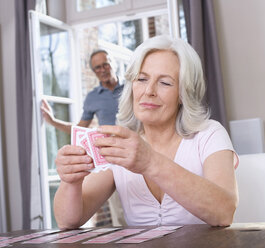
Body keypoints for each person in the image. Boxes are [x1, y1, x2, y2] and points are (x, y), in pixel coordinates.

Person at [53, 35, 239, 229]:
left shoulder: (210, 134)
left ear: (184, 93)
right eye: (141, 79)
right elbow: (68, 221)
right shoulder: (119, 143)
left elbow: (224, 212)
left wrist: (150, 162)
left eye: (165, 83)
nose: (148, 91)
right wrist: (70, 181)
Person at [40, 49, 125, 226]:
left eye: (105, 64)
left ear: (113, 64)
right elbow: (80, 128)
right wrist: (54, 121)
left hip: (137, 153)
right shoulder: (93, 98)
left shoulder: (131, 88)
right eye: (97, 68)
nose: (102, 70)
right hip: (112, 161)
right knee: (120, 213)